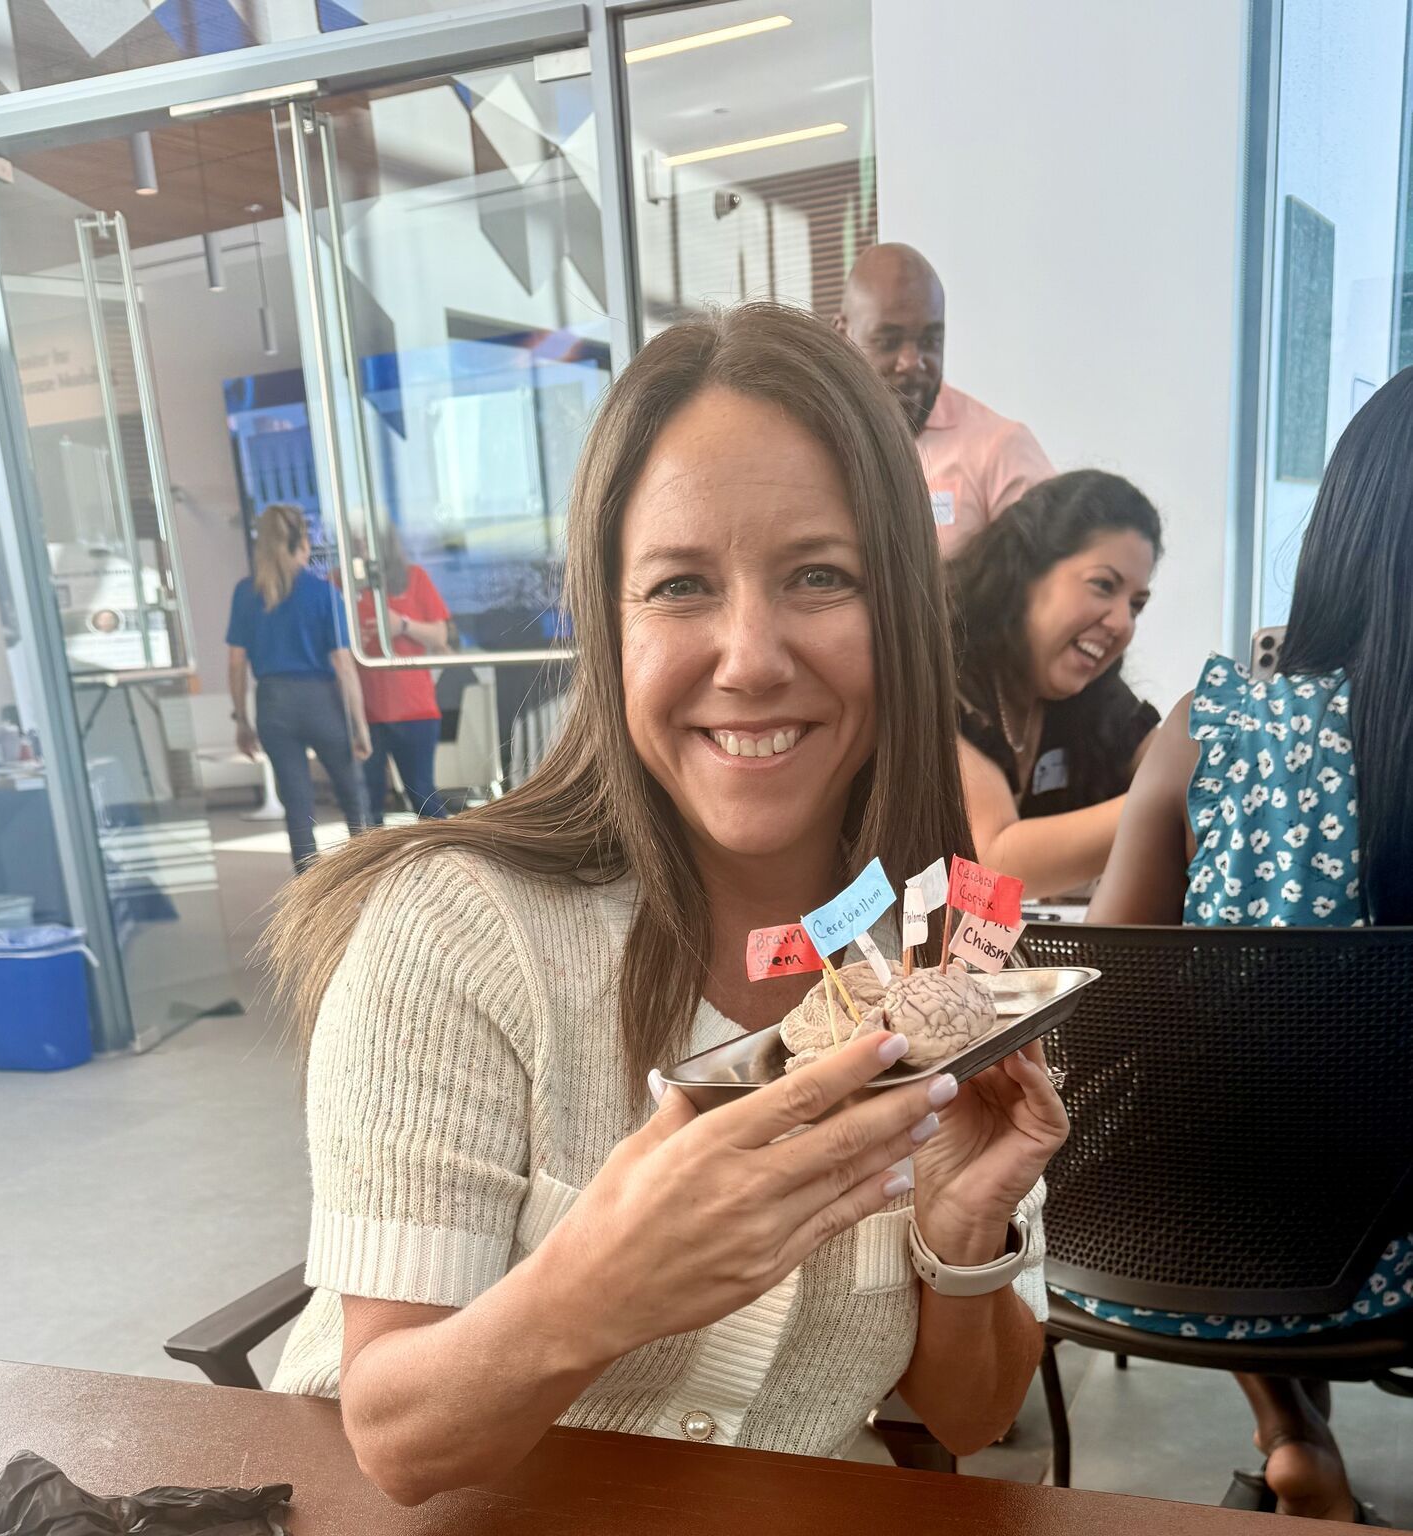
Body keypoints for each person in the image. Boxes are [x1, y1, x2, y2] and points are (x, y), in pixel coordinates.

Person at [264, 303, 1069, 1505]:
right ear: (608, 624)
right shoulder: (458, 931)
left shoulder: (940, 954)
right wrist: (596, 1285)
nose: (748, 656)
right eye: (681, 584)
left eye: (818, 576)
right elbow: (397, 1443)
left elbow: (971, 1411)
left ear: (899, 612)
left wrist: (961, 1239)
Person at [1085, 369, 1413, 1524]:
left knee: (1230, 1094)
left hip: (1183, 1247)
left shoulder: (1209, 729)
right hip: (1399, 1268)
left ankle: (1286, 1427)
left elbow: (1096, 1005)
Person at [952, 471, 1161, 899]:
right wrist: (1165, 802)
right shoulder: (942, 674)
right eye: (1104, 586)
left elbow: (1175, 766)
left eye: (1136, 606)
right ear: (1026, 573)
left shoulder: (1092, 695)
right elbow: (990, 869)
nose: (1122, 623)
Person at [835, 243, 1055, 555]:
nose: (912, 361)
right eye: (889, 341)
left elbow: (1057, 584)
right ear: (843, 336)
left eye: (929, 341)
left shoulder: (1000, 448)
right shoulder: (816, 448)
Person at [226, 503, 372, 875]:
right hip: (320, 699)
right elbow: (343, 665)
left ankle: (310, 905)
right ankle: (368, 886)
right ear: (303, 543)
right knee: (354, 798)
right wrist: (359, 726)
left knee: (298, 806)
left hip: (273, 703)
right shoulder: (323, 592)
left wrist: (241, 720)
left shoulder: (246, 592)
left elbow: (236, 663)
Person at [354, 524, 453, 823]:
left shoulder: (414, 578)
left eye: (365, 541)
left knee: (422, 794)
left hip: (414, 709)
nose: (360, 549)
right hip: (366, 712)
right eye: (356, 542)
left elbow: (440, 636)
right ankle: (373, 869)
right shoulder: (344, 584)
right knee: (367, 802)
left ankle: (449, 861)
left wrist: (402, 625)